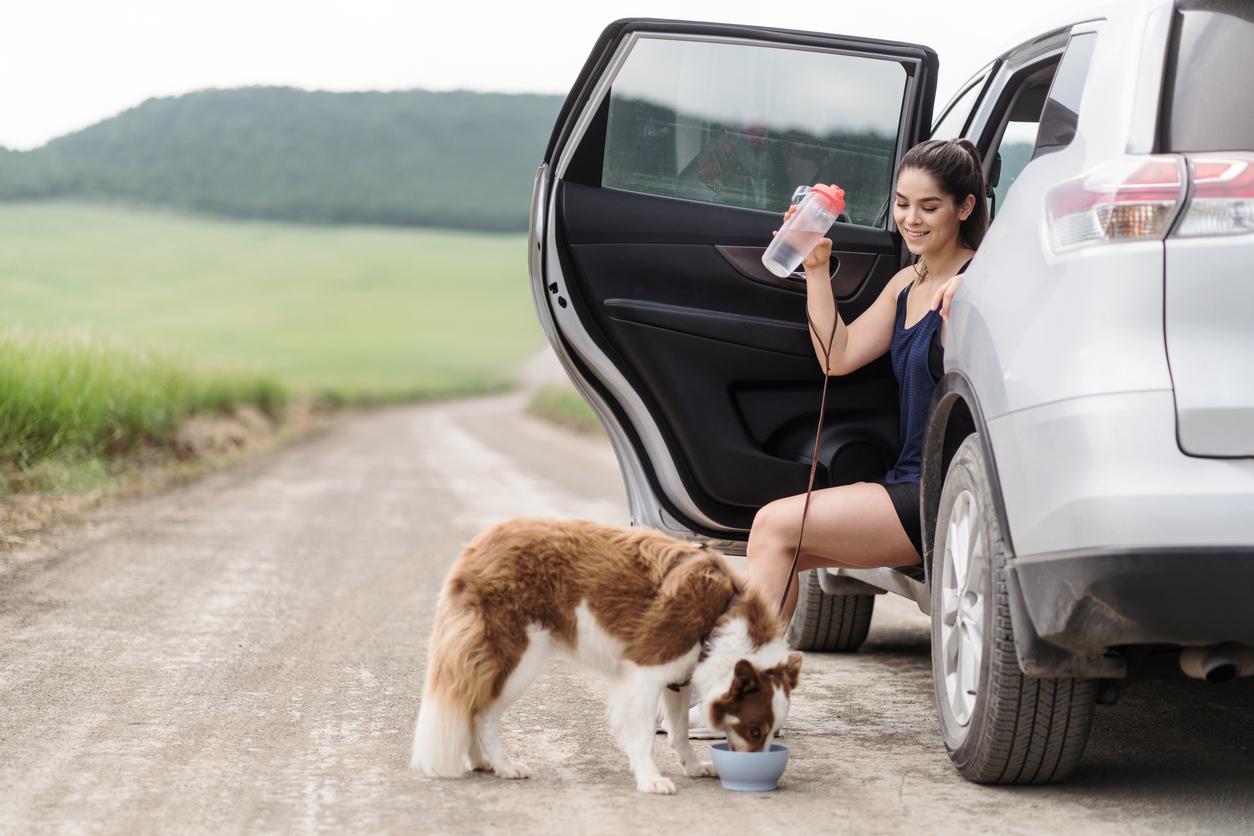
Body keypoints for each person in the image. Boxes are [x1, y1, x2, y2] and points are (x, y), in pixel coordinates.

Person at [746, 138, 990, 622]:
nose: (911, 220)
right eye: (902, 204)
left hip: (944, 489)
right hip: (905, 479)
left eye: (929, 206)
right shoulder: (906, 283)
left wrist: (981, 281)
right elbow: (837, 357)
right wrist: (816, 271)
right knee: (777, 543)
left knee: (774, 525)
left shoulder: (983, 280)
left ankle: (735, 682)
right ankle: (747, 682)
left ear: (965, 207)